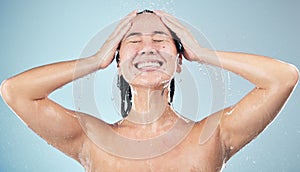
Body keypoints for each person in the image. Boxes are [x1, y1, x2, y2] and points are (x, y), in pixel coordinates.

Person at [0, 10, 298, 172]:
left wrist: (203, 53)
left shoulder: (211, 136)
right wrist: (94, 60)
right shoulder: (92, 140)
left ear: (180, 60)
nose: (148, 47)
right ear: (117, 63)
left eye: (160, 39)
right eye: (133, 42)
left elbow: (283, 77)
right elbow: (16, 91)